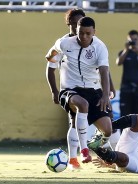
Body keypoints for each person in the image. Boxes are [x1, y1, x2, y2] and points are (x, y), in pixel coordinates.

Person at [45, 9, 119, 169]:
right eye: (75, 25)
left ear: (92, 31)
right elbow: (50, 64)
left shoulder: (99, 46)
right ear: (71, 25)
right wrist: (54, 91)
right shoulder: (63, 43)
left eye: (87, 32)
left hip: (93, 89)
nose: (83, 36)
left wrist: (107, 92)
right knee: (77, 115)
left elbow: (104, 70)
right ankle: (76, 156)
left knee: (108, 128)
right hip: (70, 89)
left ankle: (101, 150)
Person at [116, 30, 138, 146]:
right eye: (131, 40)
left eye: (135, 39)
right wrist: (126, 50)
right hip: (126, 90)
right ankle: (123, 145)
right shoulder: (124, 53)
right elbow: (118, 62)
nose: (133, 42)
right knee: (124, 118)